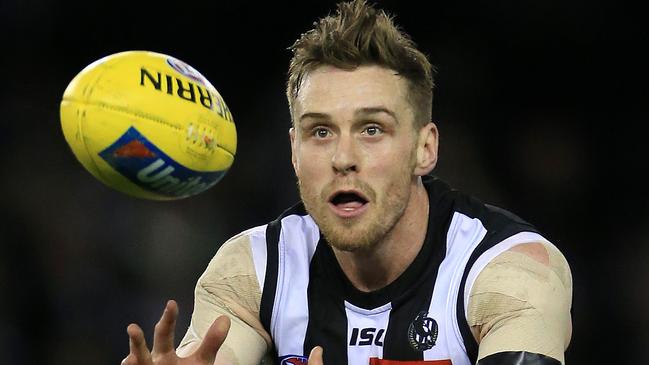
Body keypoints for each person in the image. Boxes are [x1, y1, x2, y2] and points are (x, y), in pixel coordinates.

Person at [121, 1, 573, 364]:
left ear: (425, 149)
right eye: (320, 131)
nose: (343, 158)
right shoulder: (252, 272)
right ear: (294, 151)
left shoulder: (512, 271)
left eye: (372, 129)